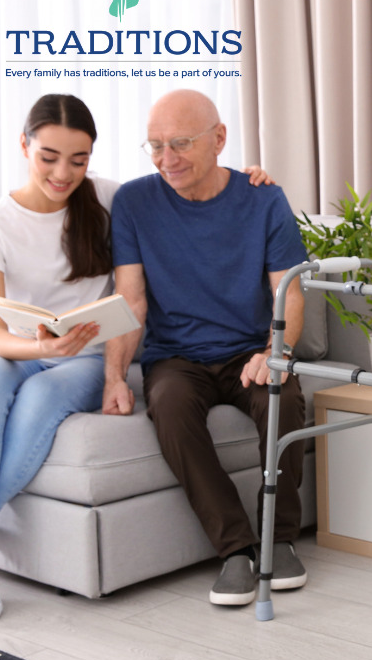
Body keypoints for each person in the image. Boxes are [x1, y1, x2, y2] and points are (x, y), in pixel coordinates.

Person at [103, 89, 309, 608]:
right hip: (176, 358)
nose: (165, 159)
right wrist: (113, 378)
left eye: (179, 143)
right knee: (168, 407)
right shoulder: (132, 203)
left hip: (248, 349)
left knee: (282, 398)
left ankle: (279, 540)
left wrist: (275, 353)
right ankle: (235, 549)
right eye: (153, 146)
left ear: (219, 139)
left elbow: (291, 290)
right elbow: (129, 300)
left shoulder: (263, 198)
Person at [0, 94, 114, 623]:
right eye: (49, 156)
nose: (63, 173)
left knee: (41, 398)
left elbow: (180, 187)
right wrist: (42, 347)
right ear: (24, 145)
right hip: (26, 348)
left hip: (86, 359)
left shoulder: (109, 202)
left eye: (78, 160)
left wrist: (249, 175)